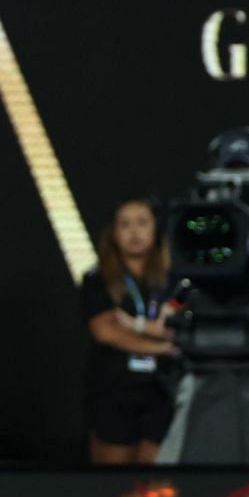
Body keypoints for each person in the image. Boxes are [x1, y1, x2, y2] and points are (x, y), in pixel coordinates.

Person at [81, 197, 175, 465]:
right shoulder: (97, 279)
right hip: (115, 389)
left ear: (156, 228)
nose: (135, 232)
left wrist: (136, 325)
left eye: (142, 223)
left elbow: (182, 327)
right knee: (115, 482)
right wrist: (160, 343)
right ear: (113, 232)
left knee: (158, 483)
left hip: (161, 390)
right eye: (125, 225)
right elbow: (106, 331)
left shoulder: (174, 279)